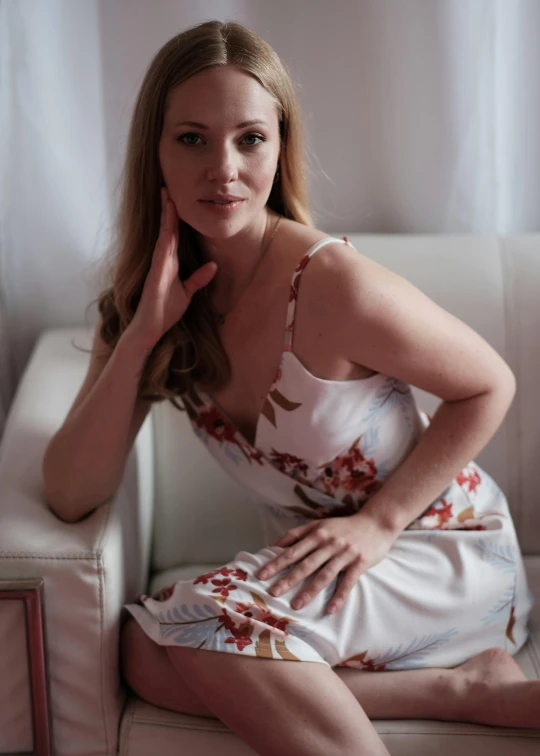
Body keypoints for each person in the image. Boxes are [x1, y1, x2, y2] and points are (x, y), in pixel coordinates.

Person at [42, 19, 537, 756]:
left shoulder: (331, 284)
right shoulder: (149, 304)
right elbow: (69, 492)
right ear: (154, 151)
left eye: (250, 138)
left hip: (438, 550)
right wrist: (143, 333)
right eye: (192, 139)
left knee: (198, 620)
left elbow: (490, 384)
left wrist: (379, 523)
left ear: (280, 146)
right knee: (142, 650)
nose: (224, 169)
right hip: (324, 583)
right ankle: (457, 689)